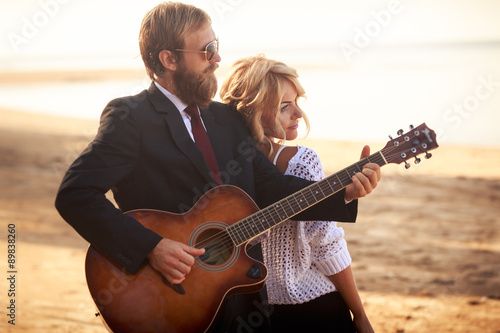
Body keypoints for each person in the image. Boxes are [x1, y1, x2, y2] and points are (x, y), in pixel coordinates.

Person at [54, 2, 380, 332]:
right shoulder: (131, 118)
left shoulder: (226, 118)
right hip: (168, 299)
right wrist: (152, 247)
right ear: (169, 59)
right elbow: (76, 195)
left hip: (244, 300)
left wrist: (345, 190)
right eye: (207, 51)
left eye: (217, 47)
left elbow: (271, 188)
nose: (217, 59)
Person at [220, 54, 374, 333]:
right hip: (308, 307)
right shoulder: (301, 161)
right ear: (253, 111)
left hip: (244, 310)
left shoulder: (223, 161)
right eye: (284, 107)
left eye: (298, 103)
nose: (298, 114)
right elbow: (326, 244)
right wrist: (360, 314)